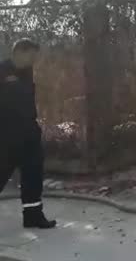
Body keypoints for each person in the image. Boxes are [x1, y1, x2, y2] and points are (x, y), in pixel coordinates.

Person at [0, 38, 56, 229]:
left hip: (29, 134)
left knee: (33, 175)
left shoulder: (27, 72)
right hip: (6, 137)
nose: (33, 60)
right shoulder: (2, 70)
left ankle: (33, 216)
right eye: (31, 55)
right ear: (19, 52)